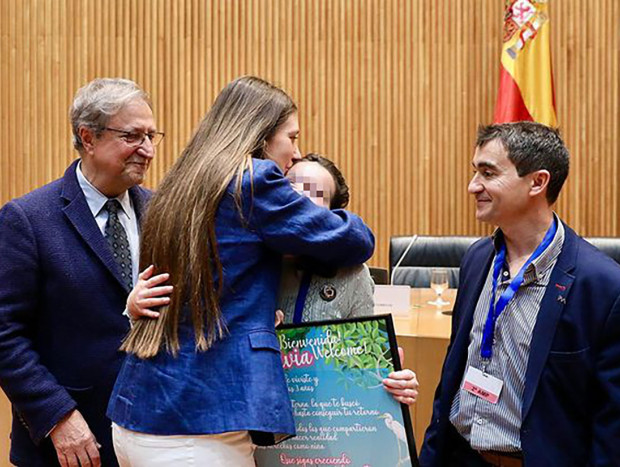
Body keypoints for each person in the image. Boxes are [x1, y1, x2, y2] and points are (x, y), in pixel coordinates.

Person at [106, 76, 375, 465]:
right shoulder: (253, 180)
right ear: (263, 138)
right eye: (292, 138)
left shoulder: (182, 183)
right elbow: (354, 241)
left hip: (140, 412)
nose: (296, 154)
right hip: (199, 424)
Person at [419, 122, 620, 467]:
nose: (472, 186)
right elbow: (452, 375)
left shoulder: (603, 286)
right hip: (461, 457)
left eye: (488, 173)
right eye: (474, 171)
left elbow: (612, 423)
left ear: (537, 182)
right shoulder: (477, 259)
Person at [0, 78, 161, 466]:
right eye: (133, 136)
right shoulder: (28, 219)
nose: (149, 150)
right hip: (67, 444)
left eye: (153, 136)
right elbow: (4, 333)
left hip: (153, 438)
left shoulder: (161, 212)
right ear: (88, 138)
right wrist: (56, 415)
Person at [280, 153, 419, 405]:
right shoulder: (253, 262)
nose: (299, 198)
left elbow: (364, 370)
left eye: (315, 194)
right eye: (290, 185)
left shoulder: (352, 274)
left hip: (327, 421)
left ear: (332, 217)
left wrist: (392, 383)